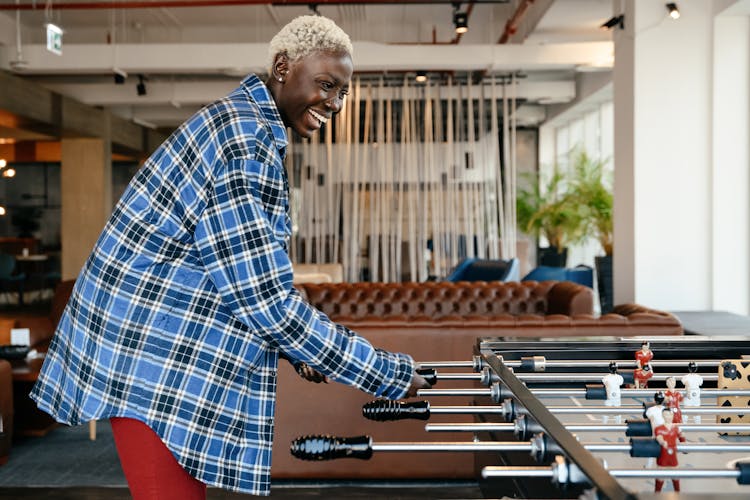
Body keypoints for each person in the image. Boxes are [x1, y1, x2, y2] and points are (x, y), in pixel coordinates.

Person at [30, 15, 431, 499]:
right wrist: (384, 373)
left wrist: (294, 347)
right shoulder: (247, 142)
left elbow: (230, 271)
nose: (335, 103)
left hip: (149, 349)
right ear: (282, 67)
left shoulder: (238, 124)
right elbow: (265, 301)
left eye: (343, 92)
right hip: (149, 358)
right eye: (327, 84)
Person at [653, 407, 686, 492]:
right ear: (663, 416)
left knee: (675, 476)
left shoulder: (676, 428)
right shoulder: (659, 428)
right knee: (660, 477)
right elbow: (659, 437)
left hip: (673, 456)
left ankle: (677, 494)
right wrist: (662, 442)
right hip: (663, 455)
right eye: (666, 415)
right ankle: (656, 495)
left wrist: (685, 446)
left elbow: (682, 438)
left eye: (670, 414)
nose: (669, 416)